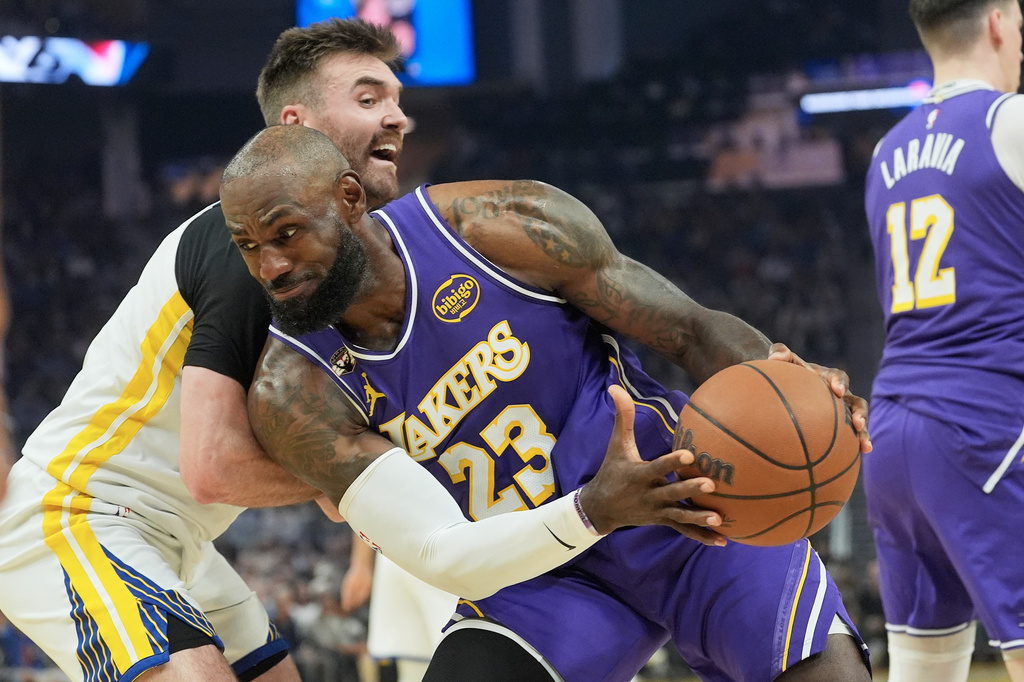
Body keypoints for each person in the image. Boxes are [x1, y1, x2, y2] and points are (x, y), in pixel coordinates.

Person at [220, 123, 875, 682]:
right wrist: (591, 511)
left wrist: (790, 387)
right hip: (531, 574)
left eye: (286, 234)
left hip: (679, 499)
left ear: (350, 199)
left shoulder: (493, 226)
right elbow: (438, 550)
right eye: (248, 246)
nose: (270, 267)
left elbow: (693, 331)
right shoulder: (292, 392)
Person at [0, 18, 407, 682]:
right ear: (298, 122)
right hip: (80, 508)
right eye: (367, 100)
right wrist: (362, 471)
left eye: (395, 99)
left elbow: (338, 488)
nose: (394, 117)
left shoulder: (345, 274)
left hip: (181, 536)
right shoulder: (244, 241)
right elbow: (214, 469)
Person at [862, 1, 1024, 680]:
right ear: (996, 21)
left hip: (892, 434)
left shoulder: (883, 150)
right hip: (983, 425)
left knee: (924, 673)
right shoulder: (1009, 120)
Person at [340, 538, 456, 682]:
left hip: (396, 549)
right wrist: (361, 563)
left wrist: (361, 563)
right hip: (442, 546)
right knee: (425, 666)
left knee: (426, 667)